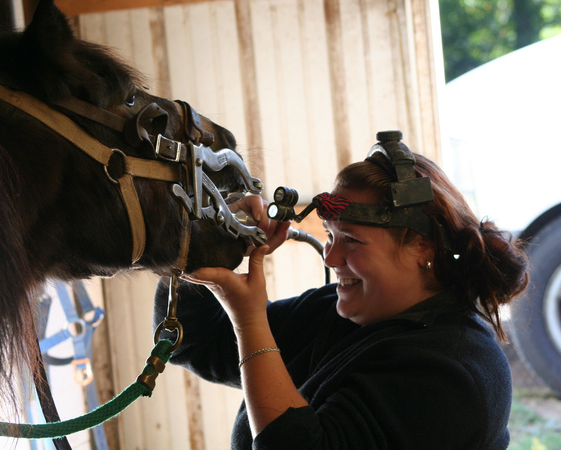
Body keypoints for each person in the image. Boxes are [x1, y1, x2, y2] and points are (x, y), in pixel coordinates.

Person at [153, 131, 528, 449]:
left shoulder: (453, 374)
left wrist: (249, 320)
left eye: (351, 239)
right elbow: (197, 342)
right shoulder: (342, 314)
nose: (331, 257)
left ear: (422, 248)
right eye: (330, 235)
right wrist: (216, 240)